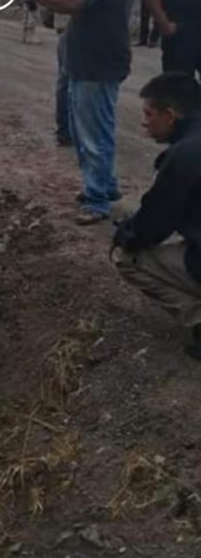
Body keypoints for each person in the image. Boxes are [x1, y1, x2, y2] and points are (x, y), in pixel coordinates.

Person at [11, 0, 132, 224]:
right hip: (96, 57)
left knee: (93, 132)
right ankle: (104, 186)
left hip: (96, 59)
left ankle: (97, 201)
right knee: (91, 128)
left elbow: (73, 1)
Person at [112, 72, 201, 359]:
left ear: (171, 115)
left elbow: (153, 227)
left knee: (126, 258)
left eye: (149, 114)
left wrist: (124, 233)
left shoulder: (183, 156)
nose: (144, 122)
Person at [39, 0, 87, 146]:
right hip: (94, 29)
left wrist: (50, 20)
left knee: (65, 81)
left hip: (65, 29)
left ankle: (64, 131)